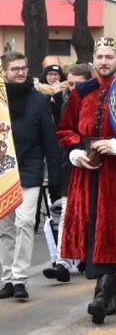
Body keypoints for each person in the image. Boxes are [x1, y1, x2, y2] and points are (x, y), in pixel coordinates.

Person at [57, 37, 116, 323]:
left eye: (109, 57)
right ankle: (112, 289)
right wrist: (76, 152)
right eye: (99, 57)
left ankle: (101, 295)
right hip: (87, 170)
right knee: (91, 231)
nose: (103, 62)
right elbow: (66, 129)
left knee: (112, 230)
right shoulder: (81, 92)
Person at [0, 52, 62, 300]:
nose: (19, 72)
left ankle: (19, 279)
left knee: (25, 222)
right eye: (14, 68)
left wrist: (55, 177)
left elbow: (50, 139)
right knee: (5, 228)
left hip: (30, 170)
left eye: (23, 68)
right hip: (4, 172)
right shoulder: (1, 100)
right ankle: (6, 279)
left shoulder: (38, 100)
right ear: (4, 71)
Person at [42, 64, 92, 284]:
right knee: (66, 212)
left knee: (92, 213)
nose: (72, 88)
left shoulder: (97, 101)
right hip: (69, 164)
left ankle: (89, 258)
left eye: (78, 84)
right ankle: (62, 261)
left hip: (93, 161)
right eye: (70, 84)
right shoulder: (63, 102)